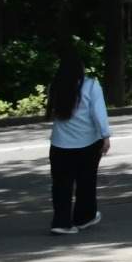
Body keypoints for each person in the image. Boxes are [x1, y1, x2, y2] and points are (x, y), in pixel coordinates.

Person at [45, 53, 111, 236]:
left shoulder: (55, 86)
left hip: (59, 144)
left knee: (61, 184)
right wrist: (105, 135)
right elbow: (98, 112)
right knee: (86, 181)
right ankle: (84, 217)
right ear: (80, 69)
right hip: (87, 143)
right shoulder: (91, 85)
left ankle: (61, 222)